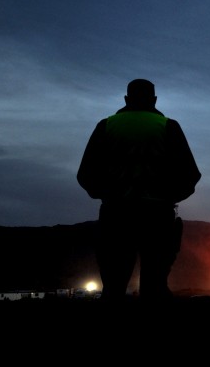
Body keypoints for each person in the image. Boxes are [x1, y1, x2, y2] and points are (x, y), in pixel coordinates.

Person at [77, 79, 201, 302]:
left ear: (126, 99)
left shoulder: (106, 126)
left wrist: (106, 195)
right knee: (155, 286)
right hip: (157, 217)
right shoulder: (168, 126)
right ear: (154, 100)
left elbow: (85, 174)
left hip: (116, 215)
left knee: (113, 286)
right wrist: (169, 198)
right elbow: (191, 175)